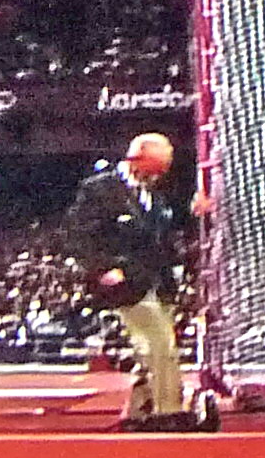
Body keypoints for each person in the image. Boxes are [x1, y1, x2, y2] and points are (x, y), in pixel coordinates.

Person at [61, 132, 212, 432]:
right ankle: (168, 411)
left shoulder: (155, 193)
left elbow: (163, 231)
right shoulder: (100, 190)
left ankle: (138, 410)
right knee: (159, 343)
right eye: (159, 165)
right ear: (138, 160)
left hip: (158, 281)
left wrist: (193, 211)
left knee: (153, 348)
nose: (164, 172)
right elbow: (77, 234)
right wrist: (102, 268)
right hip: (125, 283)